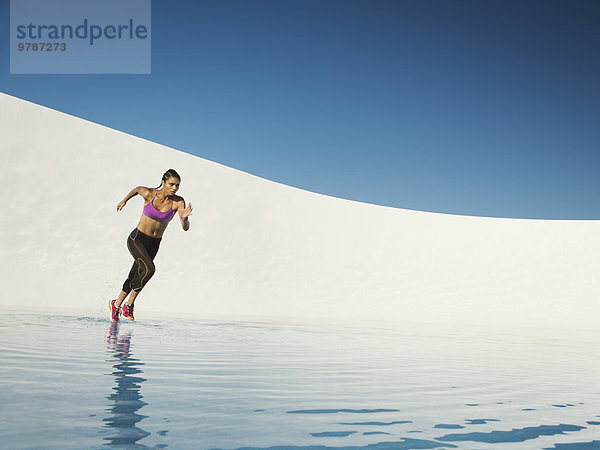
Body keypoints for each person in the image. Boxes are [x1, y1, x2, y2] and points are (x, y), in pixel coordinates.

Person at [108, 169, 192, 322]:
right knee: (149, 269)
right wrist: (124, 200)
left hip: (154, 244)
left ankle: (116, 304)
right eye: (171, 184)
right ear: (163, 182)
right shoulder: (149, 194)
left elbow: (185, 227)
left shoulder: (178, 202)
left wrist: (185, 219)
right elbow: (137, 189)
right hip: (137, 239)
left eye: (177, 186)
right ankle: (129, 304)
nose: (174, 188)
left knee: (135, 275)